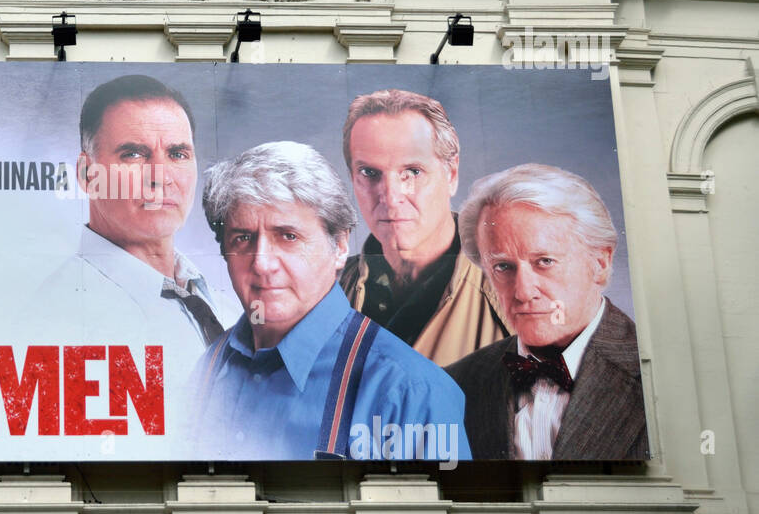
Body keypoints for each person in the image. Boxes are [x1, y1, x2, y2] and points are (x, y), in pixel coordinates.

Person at [186, 141, 470, 462]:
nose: (262, 263)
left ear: (339, 246)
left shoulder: (412, 393)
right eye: (243, 238)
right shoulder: (206, 371)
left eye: (288, 236)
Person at [33, 75, 239, 384]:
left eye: (177, 154)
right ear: (87, 175)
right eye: (133, 154)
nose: (161, 176)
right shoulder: (58, 319)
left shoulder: (227, 305)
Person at [444, 164, 649, 460]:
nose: (524, 291)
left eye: (545, 261)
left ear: (600, 263)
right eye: (503, 267)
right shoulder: (456, 384)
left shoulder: (663, 374)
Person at [339, 89, 510, 366]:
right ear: (352, 178)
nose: (391, 196)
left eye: (413, 172)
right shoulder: (323, 293)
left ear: (451, 174)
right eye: (370, 173)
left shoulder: (514, 294)